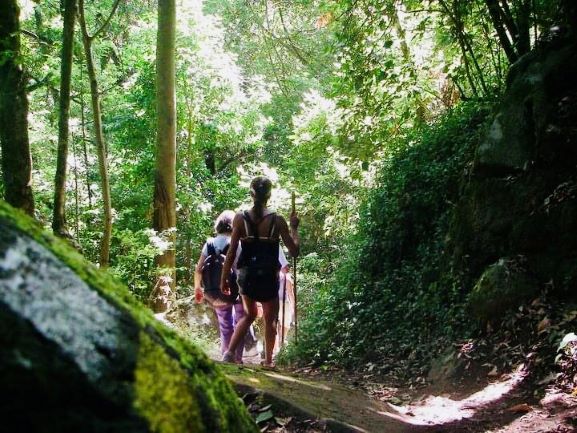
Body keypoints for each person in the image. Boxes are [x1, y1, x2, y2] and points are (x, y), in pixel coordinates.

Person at [220, 176, 300, 367]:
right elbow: (294, 251)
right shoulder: (278, 220)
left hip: (246, 276)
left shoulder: (240, 219)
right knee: (270, 319)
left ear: (251, 194)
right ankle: (268, 361)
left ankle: (229, 353)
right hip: (268, 277)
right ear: (269, 195)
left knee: (249, 314)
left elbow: (231, 252)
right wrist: (294, 228)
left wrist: (224, 278)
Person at [194, 210, 245, 364]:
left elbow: (198, 269)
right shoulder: (238, 244)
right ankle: (236, 358)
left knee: (225, 325)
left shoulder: (209, 244)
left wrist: (198, 288)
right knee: (240, 324)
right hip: (238, 291)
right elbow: (242, 269)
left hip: (215, 291)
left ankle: (225, 357)